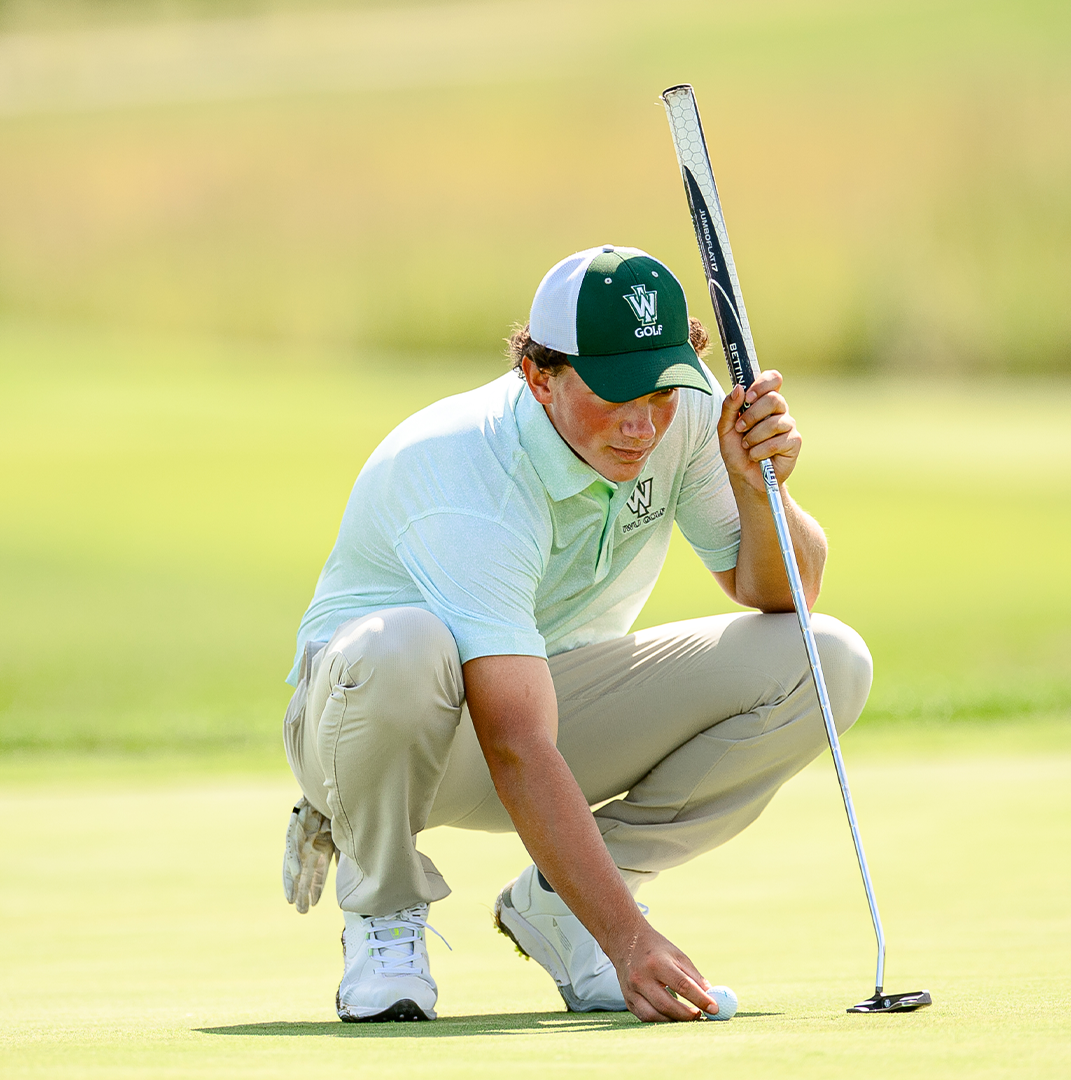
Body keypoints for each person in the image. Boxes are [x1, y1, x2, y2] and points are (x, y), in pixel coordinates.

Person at [278, 243, 872, 1023]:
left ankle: (563, 905)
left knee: (825, 659)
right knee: (405, 646)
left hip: (540, 705)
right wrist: (627, 940)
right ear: (539, 376)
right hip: (371, 731)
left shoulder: (688, 415)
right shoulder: (466, 468)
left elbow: (781, 591)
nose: (642, 424)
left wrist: (759, 488)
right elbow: (516, 743)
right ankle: (382, 909)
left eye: (660, 389)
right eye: (614, 393)